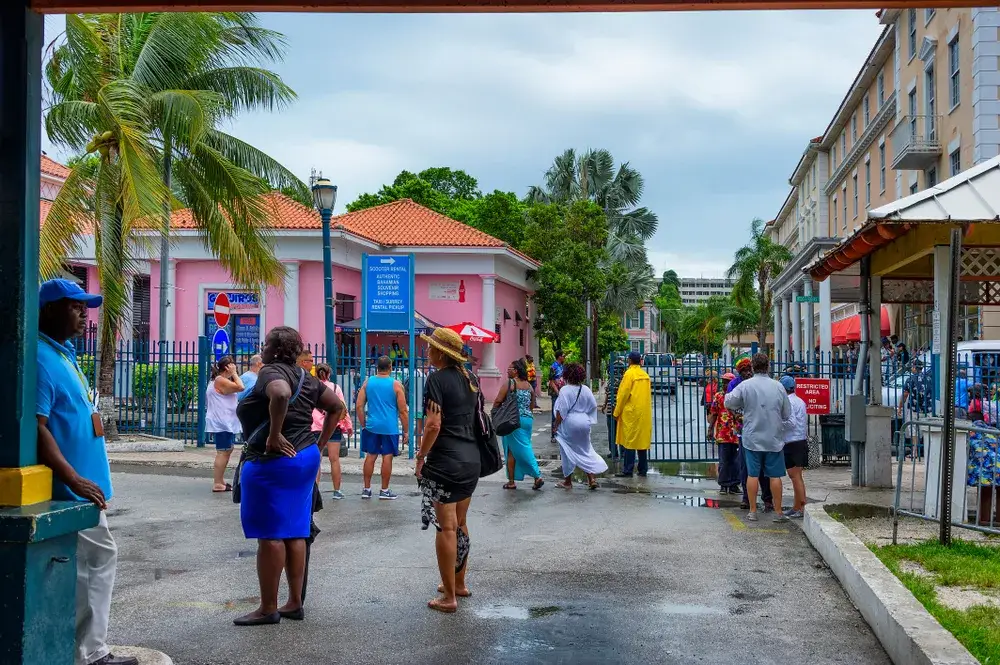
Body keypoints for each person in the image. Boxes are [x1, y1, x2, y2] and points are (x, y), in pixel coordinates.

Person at [36, 279, 139, 665]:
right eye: (74, 306)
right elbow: (37, 426)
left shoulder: (63, 354)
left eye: (85, 306)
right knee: (97, 561)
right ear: (49, 310)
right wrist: (73, 478)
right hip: (71, 490)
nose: (84, 313)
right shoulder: (42, 359)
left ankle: (81, 649)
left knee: (83, 568)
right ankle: (91, 653)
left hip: (84, 489)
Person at [234, 326, 345, 626]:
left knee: (270, 534)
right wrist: (320, 445)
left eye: (267, 342)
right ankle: (294, 602)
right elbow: (337, 407)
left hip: (273, 461)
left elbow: (280, 395)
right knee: (296, 529)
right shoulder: (307, 378)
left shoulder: (271, 373)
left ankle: (268, 608)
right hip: (304, 458)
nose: (264, 346)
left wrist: (273, 435)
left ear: (275, 349)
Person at [415, 327, 482, 613]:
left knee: (446, 527)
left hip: (446, 460)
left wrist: (420, 456)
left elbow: (433, 425)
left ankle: (449, 598)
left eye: (430, 347)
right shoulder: (472, 379)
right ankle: (459, 582)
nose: (427, 351)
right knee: (461, 522)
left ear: (440, 353)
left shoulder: (436, 380)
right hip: (471, 459)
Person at [724, 353, 790, 523]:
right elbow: (786, 413)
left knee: (752, 475)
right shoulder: (778, 386)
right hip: (773, 438)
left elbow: (729, 402)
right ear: (768, 366)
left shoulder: (746, 386)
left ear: (753, 367)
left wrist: (743, 407)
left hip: (752, 438)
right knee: (775, 476)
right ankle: (778, 512)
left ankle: (753, 511)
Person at [356, 355, 408, 500]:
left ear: (377, 367)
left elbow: (359, 406)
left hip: (372, 425)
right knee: (387, 457)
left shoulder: (368, 382)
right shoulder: (396, 385)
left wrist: (363, 423)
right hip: (389, 427)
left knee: (371, 456)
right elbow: (403, 411)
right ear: (390, 367)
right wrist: (406, 430)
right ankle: (384, 490)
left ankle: (366, 489)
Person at [554, 363, 608, 490]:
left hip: (569, 422)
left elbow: (561, 411)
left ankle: (567, 481)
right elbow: (593, 405)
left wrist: (556, 425)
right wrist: (586, 417)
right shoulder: (586, 389)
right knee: (586, 449)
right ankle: (592, 478)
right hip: (584, 422)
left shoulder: (565, 390)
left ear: (567, 375)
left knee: (566, 450)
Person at [493, 359, 544, 491]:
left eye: (509, 369)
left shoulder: (510, 383)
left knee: (523, 448)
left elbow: (498, 400)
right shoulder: (529, 385)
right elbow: (532, 404)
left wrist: (495, 413)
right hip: (527, 419)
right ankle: (511, 481)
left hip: (513, 421)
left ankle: (537, 475)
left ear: (515, 371)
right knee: (511, 450)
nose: (507, 370)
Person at [730, 357, 772, 510]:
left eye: (749, 370)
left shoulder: (759, 384)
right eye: (744, 371)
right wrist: (738, 415)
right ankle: (747, 499)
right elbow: (729, 404)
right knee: (746, 468)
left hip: (761, 430)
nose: (747, 373)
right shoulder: (736, 385)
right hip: (745, 431)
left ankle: (767, 498)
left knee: (764, 468)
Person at [312, 363, 353, 500]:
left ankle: (315, 490)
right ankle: (337, 490)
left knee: (316, 460)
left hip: (315, 427)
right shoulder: (335, 388)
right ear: (329, 374)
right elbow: (342, 407)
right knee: (334, 459)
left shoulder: (311, 387)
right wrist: (348, 425)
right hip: (333, 426)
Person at [206, 355, 244, 493]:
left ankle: (220, 481)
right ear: (227, 367)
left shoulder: (220, 380)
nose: (235, 368)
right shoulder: (220, 380)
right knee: (222, 451)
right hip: (222, 422)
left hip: (224, 421)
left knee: (227, 450)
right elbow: (241, 387)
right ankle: (217, 483)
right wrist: (234, 374)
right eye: (233, 366)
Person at [613, 351, 652, 478]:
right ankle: (642, 469)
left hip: (631, 413)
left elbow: (623, 395)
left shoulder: (629, 374)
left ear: (629, 360)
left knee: (629, 442)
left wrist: (616, 412)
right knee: (641, 442)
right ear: (640, 361)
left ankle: (628, 470)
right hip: (644, 413)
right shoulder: (645, 375)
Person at [780, 376, 808, 519]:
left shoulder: (789, 402)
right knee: (798, 477)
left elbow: (791, 423)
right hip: (800, 441)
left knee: (795, 476)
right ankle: (797, 506)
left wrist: (778, 424)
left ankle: (801, 507)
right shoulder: (800, 401)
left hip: (792, 442)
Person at [708, 372, 741, 494]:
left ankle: (734, 485)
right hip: (723, 434)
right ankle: (723, 484)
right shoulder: (719, 396)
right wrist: (710, 428)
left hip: (736, 433)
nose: (724, 384)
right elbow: (714, 413)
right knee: (724, 460)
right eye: (723, 382)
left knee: (736, 461)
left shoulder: (737, 397)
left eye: (727, 382)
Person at [548, 350, 567, 442]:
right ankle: (553, 435)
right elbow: (551, 381)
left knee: (562, 412)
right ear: (559, 357)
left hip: (562, 392)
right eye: (563, 356)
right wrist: (557, 392)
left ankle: (560, 433)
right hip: (556, 393)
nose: (564, 357)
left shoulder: (562, 366)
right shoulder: (553, 367)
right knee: (555, 413)